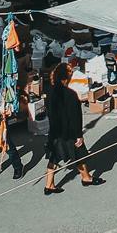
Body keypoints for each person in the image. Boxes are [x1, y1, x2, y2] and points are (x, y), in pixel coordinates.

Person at [42, 62, 100, 194]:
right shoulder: (70, 95)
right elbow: (75, 118)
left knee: (54, 157)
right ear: (67, 77)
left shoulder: (49, 91)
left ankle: (49, 185)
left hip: (55, 131)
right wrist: (79, 135)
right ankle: (86, 178)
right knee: (79, 154)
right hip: (69, 132)